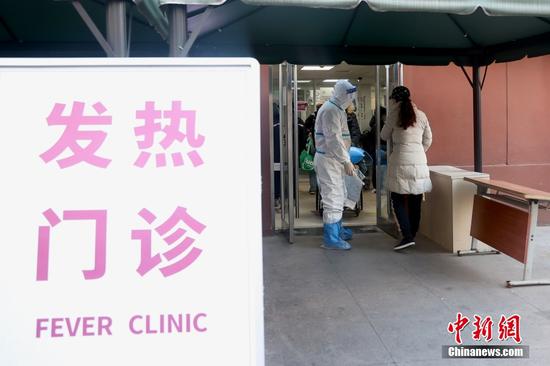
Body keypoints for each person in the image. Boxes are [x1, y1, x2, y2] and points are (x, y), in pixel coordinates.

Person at [381, 86, 432, 251]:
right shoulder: (422, 115)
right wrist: (418, 152)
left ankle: (407, 235)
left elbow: (383, 136)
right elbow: (428, 139)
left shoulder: (393, 115)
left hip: (400, 160)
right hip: (419, 160)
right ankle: (413, 233)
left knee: (397, 197)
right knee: (415, 196)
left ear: (394, 99)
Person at [314, 80, 357, 250]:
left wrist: (345, 158)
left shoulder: (336, 109)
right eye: (349, 94)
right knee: (332, 196)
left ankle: (337, 229)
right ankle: (331, 238)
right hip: (329, 160)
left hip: (335, 160)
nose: (351, 98)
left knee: (339, 194)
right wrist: (345, 160)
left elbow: (341, 138)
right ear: (341, 93)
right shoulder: (331, 110)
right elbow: (333, 139)